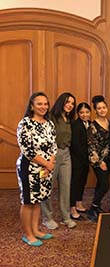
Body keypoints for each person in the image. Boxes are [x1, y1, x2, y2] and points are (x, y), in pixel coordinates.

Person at [16, 92, 57, 246]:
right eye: (39, 104)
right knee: (28, 201)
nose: (43, 107)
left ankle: (35, 230)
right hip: (29, 168)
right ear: (32, 106)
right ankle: (28, 234)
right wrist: (46, 164)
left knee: (38, 200)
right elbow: (28, 150)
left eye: (45, 104)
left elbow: (54, 146)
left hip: (46, 169)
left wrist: (50, 164)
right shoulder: (25, 123)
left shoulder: (49, 123)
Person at [41, 92, 77, 229]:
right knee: (48, 187)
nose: (70, 105)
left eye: (72, 103)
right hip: (52, 155)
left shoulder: (69, 119)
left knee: (66, 187)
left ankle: (66, 217)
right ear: (61, 102)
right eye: (67, 102)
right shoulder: (51, 117)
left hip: (66, 154)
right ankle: (47, 218)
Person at [87, 95, 110, 221]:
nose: (102, 110)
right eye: (99, 108)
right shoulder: (92, 126)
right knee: (105, 185)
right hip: (97, 160)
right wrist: (100, 162)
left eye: (104, 107)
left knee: (101, 184)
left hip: (108, 159)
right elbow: (91, 147)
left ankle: (97, 207)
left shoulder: (109, 122)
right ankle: (93, 208)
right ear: (95, 110)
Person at [70, 102, 91, 219]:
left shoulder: (90, 124)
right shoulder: (75, 124)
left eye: (87, 112)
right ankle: (72, 208)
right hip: (77, 160)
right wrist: (85, 158)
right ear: (78, 113)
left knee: (82, 182)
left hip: (86, 161)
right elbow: (76, 145)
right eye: (82, 112)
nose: (84, 115)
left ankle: (79, 203)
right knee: (75, 184)